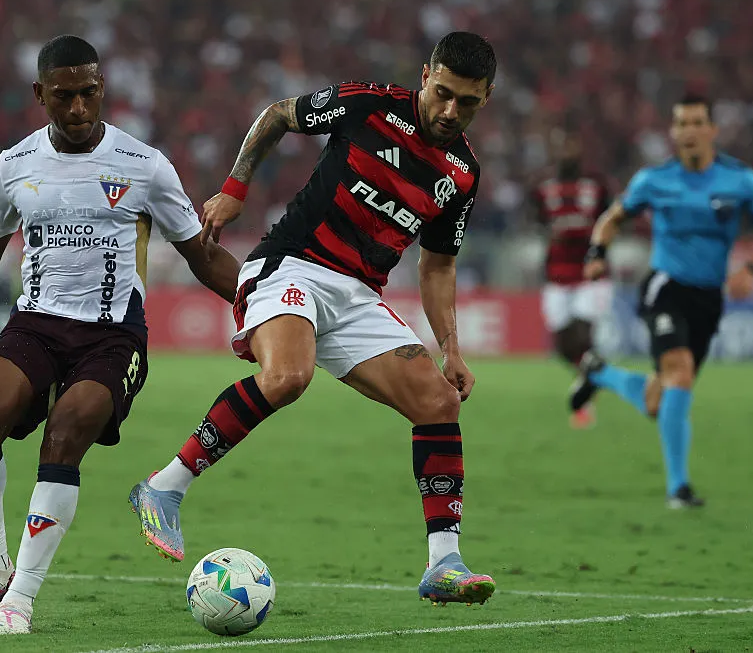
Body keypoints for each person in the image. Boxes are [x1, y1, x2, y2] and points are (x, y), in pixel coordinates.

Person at [0, 35, 240, 634]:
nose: (78, 108)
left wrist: (262, 308)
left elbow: (203, 255)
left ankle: (21, 599)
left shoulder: (144, 164)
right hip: (37, 323)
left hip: (113, 335)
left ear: (102, 88)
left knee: (64, 436)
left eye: (89, 93)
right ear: (40, 94)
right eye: (64, 96)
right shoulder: (14, 165)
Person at [129, 32, 497, 606]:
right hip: (291, 265)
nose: (451, 111)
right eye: (443, 93)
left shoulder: (463, 173)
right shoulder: (369, 106)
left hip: (358, 296)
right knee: (288, 377)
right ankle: (164, 487)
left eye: (467, 102)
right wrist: (234, 188)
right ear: (426, 76)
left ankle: (443, 562)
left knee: (438, 402)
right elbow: (278, 115)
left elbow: (438, 267)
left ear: (486, 97)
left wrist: (450, 348)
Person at [570, 93, 753, 508]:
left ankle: (600, 373)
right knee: (680, 373)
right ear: (673, 131)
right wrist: (597, 254)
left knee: (660, 399)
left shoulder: (741, 181)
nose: (689, 131)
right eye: (681, 123)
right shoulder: (654, 180)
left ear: (712, 130)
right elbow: (612, 219)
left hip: (709, 299)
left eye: (696, 123)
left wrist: (750, 269)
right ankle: (678, 489)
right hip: (665, 288)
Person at [530, 131, 613, 428]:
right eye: (562, 146)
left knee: (582, 334)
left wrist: (600, 252)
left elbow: (611, 221)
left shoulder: (596, 185)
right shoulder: (543, 188)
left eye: (571, 146)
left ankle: (586, 397)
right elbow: (538, 222)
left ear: (579, 149)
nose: (566, 152)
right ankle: (593, 377)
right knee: (562, 345)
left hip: (590, 275)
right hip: (557, 274)